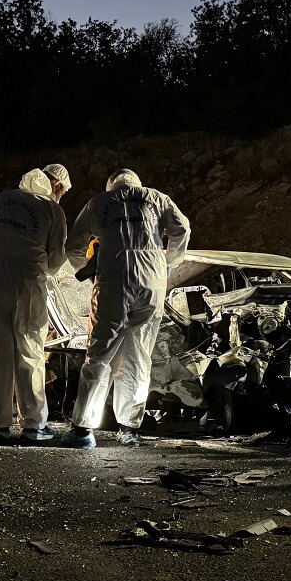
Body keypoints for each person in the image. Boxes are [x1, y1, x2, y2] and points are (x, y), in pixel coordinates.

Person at [61, 168, 190, 448]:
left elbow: (73, 246)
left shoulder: (99, 203)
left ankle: (83, 429)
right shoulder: (156, 198)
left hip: (113, 282)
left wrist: (87, 270)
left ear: (112, 186)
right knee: (138, 355)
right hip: (151, 283)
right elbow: (182, 229)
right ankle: (129, 428)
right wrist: (169, 262)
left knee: (99, 354)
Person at [0, 166, 70, 444]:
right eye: (63, 191)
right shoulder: (52, 210)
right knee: (29, 352)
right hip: (28, 287)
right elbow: (55, 262)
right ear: (57, 186)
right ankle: (33, 425)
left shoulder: (0, 201)